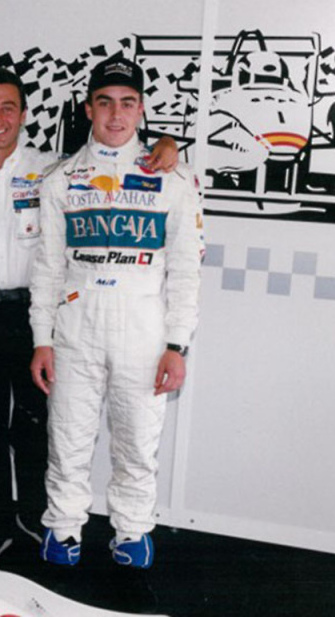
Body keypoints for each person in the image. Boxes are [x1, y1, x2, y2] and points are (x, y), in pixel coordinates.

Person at [0, 67, 181, 568]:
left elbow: (115, 153)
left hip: (37, 315)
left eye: (8, 108)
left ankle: (37, 516)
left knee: (40, 426)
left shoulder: (53, 169)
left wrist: (165, 144)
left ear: (23, 114)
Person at [29, 57, 203, 569]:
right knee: (67, 439)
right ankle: (63, 531)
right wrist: (41, 339)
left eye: (127, 103)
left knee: (137, 443)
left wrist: (177, 345)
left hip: (144, 330)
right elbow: (47, 269)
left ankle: (132, 533)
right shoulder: (60, 179)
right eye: (105, 102)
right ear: (88, 109)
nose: (116, 114)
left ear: (141, 109)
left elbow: (186, 272)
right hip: (75, 329)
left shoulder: (174, 178)